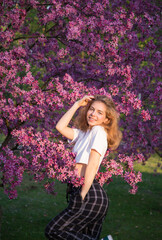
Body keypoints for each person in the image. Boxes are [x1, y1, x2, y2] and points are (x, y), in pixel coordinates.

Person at [45, 95, 122, 240]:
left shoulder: (98, 132)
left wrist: (82, 195)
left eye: (100, 112)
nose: (93, 114)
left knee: (53, 231)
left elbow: (92, 164)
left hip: (88, 193)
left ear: (107, 119)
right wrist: (76, 104)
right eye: (91, 109)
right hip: (91, 194)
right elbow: (60, 127)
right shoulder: (83, 134)